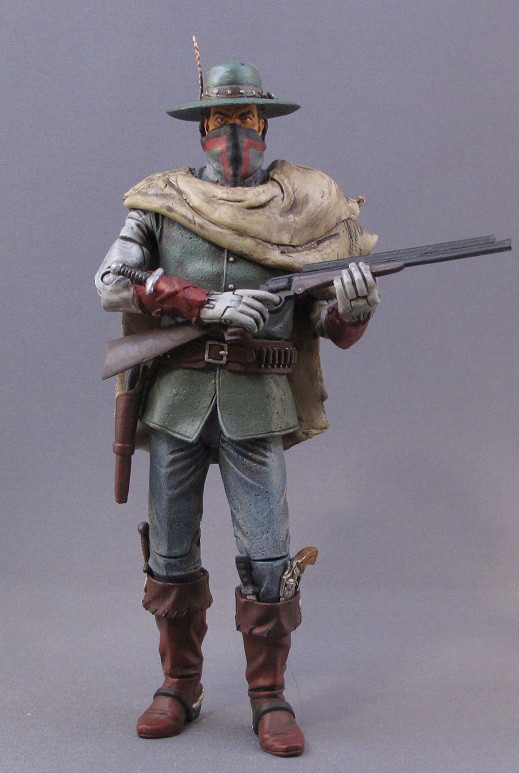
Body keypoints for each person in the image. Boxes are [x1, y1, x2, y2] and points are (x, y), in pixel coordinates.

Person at [95, 57, 380, 758]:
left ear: (264, 127)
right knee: (170, 552)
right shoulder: (162, 202)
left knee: (267, 555)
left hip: (259, 401)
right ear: (201, 130)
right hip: (177, 400)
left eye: (246, 121)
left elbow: (328, 323)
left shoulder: (304, 209)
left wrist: (355, 309)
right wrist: (201, 302)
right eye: (220, 122)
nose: (233, 138)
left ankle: (268, 694)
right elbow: (111, 281)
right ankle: (178, 684)